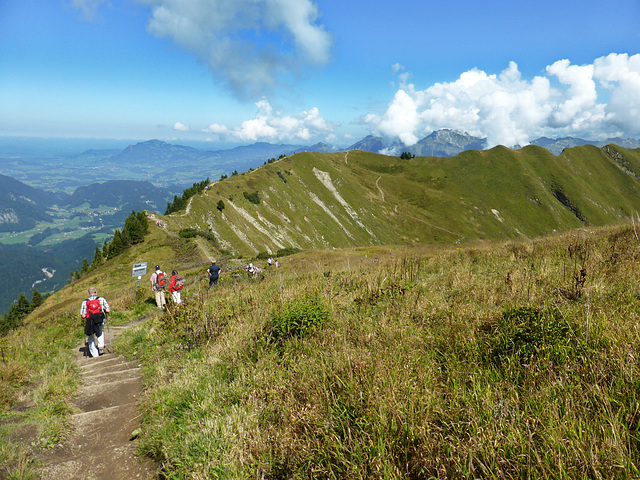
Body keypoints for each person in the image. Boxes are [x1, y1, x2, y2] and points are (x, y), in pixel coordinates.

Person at [80, 287, 110, 358]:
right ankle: (101, 347)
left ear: (88, 294)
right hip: (100, 319)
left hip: (90, 321)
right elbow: (108, 310)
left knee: (91, 336)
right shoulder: (101, 299)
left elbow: (83, 315)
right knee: (100, 331)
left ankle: (95, 354)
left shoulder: (85, 302)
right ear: (96, 292)